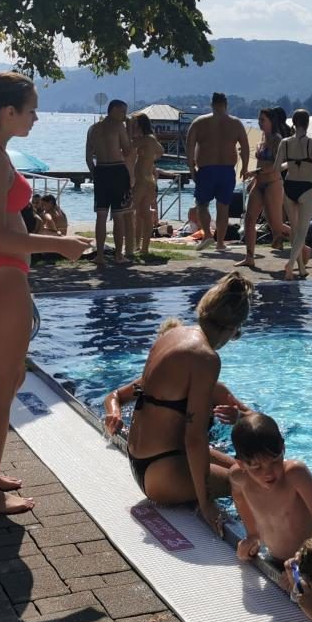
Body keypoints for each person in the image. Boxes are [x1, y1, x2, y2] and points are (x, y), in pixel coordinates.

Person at [0, 72, 90, 516]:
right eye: (31, 110)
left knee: (6, 383)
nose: (36, 118)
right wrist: (59, 245)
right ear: (8, 112)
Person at [102, 271, 255, 533]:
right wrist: (206, 504)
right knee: (250, 483)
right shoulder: (205, 358)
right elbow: (194, 438)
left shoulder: (172, 337)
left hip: (145, 461)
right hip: (162, 473)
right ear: (232, 329)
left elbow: (137, 390)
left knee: (247, 471)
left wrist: (239, 418)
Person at [229, 412, 312, 566]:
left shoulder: (295, 475)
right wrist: (252, 534)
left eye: (275, 461)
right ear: (241, 464)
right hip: (276, 560)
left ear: (283, 449)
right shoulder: (239, 478)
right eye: (257, 467)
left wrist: (306, 562)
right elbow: (239, 498)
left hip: (311, 559)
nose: (268, 473)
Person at [186, 93, 250, 254]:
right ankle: (220, 243)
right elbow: (245, 146)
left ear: (212, 104)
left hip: (206, 170)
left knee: (202, 204)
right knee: (223, 207)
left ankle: (208, 235)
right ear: (226, 104)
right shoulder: (235, 123)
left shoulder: (199, 122)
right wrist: (245, 167)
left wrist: (191, 168)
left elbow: (189, 147)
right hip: (227, 170)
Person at [238, 108, 291, 268]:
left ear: (271, 122)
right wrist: (254, 179)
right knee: (249, 219)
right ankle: (249, 256)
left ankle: (303, 247)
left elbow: (277, 165)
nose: (260, 123)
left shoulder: (277, 139)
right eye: (259, 119)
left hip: (272, 184)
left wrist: (255, 172)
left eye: (263, 120)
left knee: (276, 225)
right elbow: (260, 162)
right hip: (259, 183)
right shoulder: (262, 138)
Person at [86, 99, 133, 265]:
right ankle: (118, 255)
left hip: (101, 170)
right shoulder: (119, 127)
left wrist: (95, 174)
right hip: (117, 170)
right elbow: (127, 151)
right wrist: (129, 130)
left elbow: (88, 158)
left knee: (101, 215)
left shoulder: (93, 129)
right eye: (122, 112)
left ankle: (100, 255)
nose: (124, 115)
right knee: (118, 215)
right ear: (113, 110)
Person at [277, 109, 312, 281]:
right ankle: (290, 265)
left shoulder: (285, 142)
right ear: (307, 123)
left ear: (294, 123)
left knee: (294, 230)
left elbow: (277, 168)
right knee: (302, 232)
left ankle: (301, 268)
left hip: (289, 186)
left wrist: (289, 164)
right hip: (306, 187)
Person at [129, 113, 164, 259]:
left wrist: (128, 128)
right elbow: (161, 151)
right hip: (149, 179)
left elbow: (127, 146)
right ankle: (142, 247)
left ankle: (133, 246)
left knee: (129, 210)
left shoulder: (145, 139)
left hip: (142, 180)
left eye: (134, 124)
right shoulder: (151, 138)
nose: (132, 126)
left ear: (139, 125)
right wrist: (150, 157)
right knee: (143, 213)